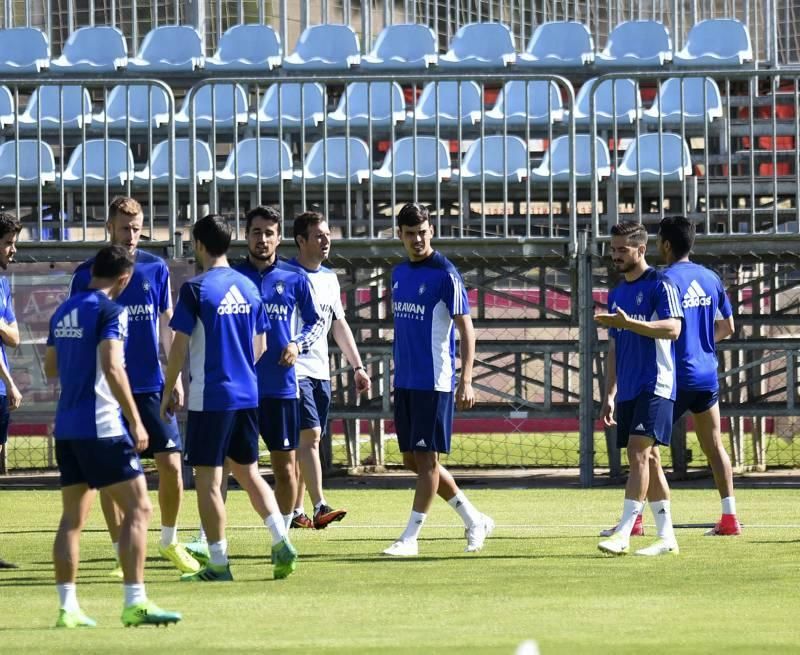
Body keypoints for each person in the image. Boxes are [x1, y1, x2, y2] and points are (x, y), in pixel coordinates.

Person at [46, 245, 181, 628]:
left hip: (68, 427)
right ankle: (135, 601)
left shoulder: (64, 310)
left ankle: (67, 608)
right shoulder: (111, 311)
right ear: (123, 278)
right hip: (102, 427)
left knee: (72, 519)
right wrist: (136, 421)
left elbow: (51, 366)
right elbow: (113, 366)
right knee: (140, 509)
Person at [160, 214, 298, 582]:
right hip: (247, 394)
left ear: (199, 245)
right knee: (250, 473)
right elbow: (262, 343)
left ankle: (219, 564)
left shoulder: (196, 289)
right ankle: (281, 540)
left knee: (207, 481)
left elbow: (179, 347)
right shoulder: (249, 287)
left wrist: (169, 387)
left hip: (212, 397)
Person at [70, 197, 198, 577]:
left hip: (150, 386)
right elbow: (78, 331)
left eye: (137, 227)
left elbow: (166, 322)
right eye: (124, 227)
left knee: (172, 465)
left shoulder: (155, 268)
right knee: (112, 475)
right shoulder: (86, 274)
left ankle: (169, 539)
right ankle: (119, 550)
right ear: (109, 226)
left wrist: (172, 377)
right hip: (106, 389)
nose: (131, 234)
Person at [382, 202, 494, 557]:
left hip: (435, 381)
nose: (417, 239)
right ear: (400, 234)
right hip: (407, 382)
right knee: (412, 462)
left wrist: (467, 379)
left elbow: (466, 328)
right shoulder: (399, 273)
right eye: (410, 233)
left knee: (427, 461)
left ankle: (410, 538)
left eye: (423, 232)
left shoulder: (445, 273)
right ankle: (474, 518)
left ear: (432, 230)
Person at [595, 221, 683, 557]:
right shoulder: (617, 292)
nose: (615, 255)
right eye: (613, 249)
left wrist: (631, 323)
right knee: (651, 459)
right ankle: (667, 537)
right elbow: (616, 347)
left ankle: (624, 532)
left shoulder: (661, 284)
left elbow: (673, 329)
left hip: (656, 383)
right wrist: (611, 393)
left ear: (641, 249)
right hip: (630, 388)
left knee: (637, 453)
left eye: (622, 249)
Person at [234, 206, 322, 528]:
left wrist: (298, 344)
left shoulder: (293, 277)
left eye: (269, 233)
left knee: (285, 469)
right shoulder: (233, 277)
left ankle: (283, 533)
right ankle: (209, 537)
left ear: (279, 238)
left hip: (281, 388)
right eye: (256, 232)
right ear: (246, 235)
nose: (262, 239)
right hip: (239, 389)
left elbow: (316, 321)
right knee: (227, 467)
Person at [286, 212, 371, 530]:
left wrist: (358, 366)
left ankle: (295, 513)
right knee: (310, 437)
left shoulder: (329, 279)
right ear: (301, 241)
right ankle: (320, 504)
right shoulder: (286, 276)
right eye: (318, 235)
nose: (326, 241)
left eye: (327, 235)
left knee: (304, 445)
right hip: (295, 371)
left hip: (321, 371)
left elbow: (339, 324)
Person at [658, 215, 738, 535]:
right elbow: (728, 327)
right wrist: (702, 344)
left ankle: (634, 521)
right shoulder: (710, 278)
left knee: (643, 449)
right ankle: (730, 518)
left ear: (666, 245)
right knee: (714, 445)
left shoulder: (663, 280)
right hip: (706, 375)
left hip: (675, 377)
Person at [0, 212, 22, 571]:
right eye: (7, 242)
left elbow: (14, 337)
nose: (13, 249)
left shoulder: (3, 285)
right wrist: (11, 382)